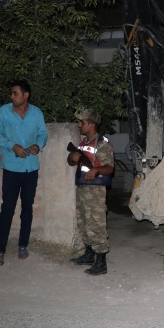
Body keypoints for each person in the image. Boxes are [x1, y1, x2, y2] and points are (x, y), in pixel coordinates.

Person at [0, 80, 48, 266]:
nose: (12, 96)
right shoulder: (4, 112)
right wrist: (12, 145)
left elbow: (43, 134)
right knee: (7, 208)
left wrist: (38, 145)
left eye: (15, 93)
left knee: (27, 208)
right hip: (11, 168)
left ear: (25, 95)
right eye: (12, 93)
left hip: (31, 168)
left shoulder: (36, 113)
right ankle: (0, 250)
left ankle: (23, 245)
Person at [67, 109, 114, 276]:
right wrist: (72, 158)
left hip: (95, 190)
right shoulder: (82, 144)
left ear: (91, 124)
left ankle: (101, 262)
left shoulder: (102, 144)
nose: (79, 125)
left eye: (82, 122)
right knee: (83, 222)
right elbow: (73, 163)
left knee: (96, 224)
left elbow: (109, 167)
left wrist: (96, 169)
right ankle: (89, 254)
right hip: (82, 188)